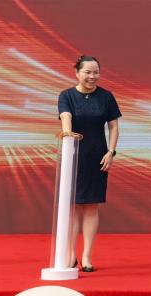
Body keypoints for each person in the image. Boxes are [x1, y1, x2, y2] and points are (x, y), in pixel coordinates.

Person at [57, 55, 121, 273]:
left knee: (91, 206)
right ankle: (70, 255)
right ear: (77, 73)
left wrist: (111, 152)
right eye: (87, 72)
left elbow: (113, 127)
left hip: (98, 156)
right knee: (73, 206)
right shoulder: (67, 96)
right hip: (74, 156)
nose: (92, 76)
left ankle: (86, 256)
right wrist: (68, 135)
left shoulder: (106, 96)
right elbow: (66, 117)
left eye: (96, 72)